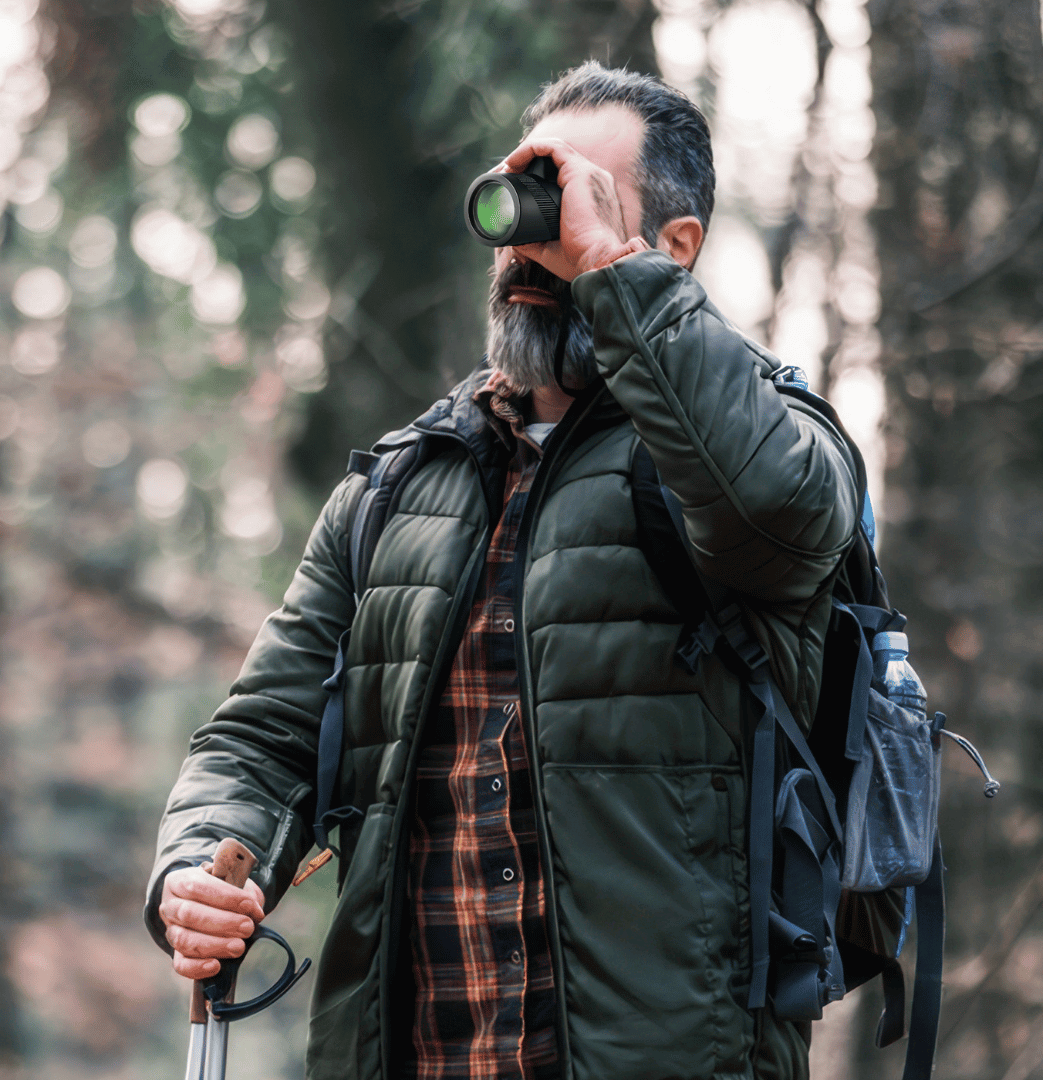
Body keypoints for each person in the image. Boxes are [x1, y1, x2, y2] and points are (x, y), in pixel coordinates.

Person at [145, 61, 858, 1080]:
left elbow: (777, 516)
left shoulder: (767, 440)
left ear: (675, 247)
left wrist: (613, 269)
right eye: (524, 195)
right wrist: (200, 863)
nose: (531, 239)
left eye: (573, 201)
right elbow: (261, 735)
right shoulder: (397, 487)